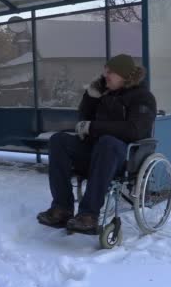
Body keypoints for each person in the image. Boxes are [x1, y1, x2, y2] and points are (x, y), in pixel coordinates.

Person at [37, 54, 157, 234]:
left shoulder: (143, 97)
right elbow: (84, 118)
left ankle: (88, 215)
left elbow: (135, 130)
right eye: (105, 71)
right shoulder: (105, 93)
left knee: (107, 142)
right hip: (96, 152)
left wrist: (95, 127)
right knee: (58, 140)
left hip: (124, 157)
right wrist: (91, 95)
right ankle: (62, 208)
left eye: (111, 72)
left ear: (124, 75)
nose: (105, 75)